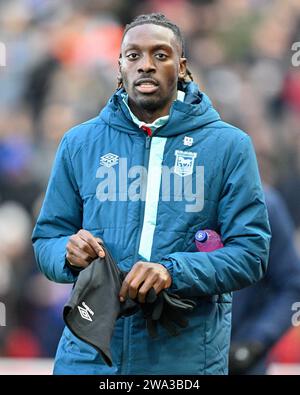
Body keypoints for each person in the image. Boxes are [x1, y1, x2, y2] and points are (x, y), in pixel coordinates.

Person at [32, 13, 271, 375]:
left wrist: (172, 271)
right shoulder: (80, 142)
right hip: (89, 356)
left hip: (184, 359)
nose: (146, 65)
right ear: (120, 67)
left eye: (160, 55)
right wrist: (67, 252)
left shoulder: (229, 146)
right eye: (133, 56)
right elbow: (46, 239)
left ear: (182, 67)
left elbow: (251, 253)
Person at [230, 186, 300, 375]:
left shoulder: (266, 205)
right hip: (178, 357)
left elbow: (292, 286)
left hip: (243, 361)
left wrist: (256, 341)